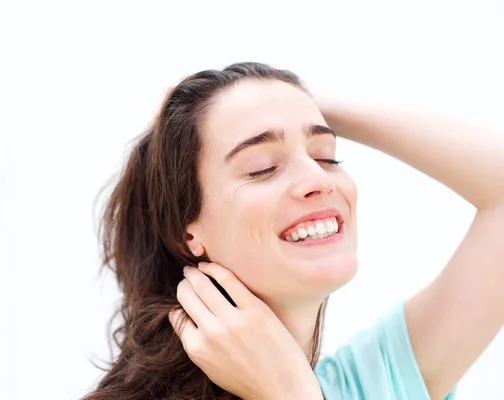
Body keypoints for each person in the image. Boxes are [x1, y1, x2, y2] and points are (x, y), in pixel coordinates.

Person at [82, 62, 504, 399]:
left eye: (325, 156)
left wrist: (290, 101)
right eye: (262, 167)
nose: (320, 181)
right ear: (186, 234)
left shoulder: (370, 385)